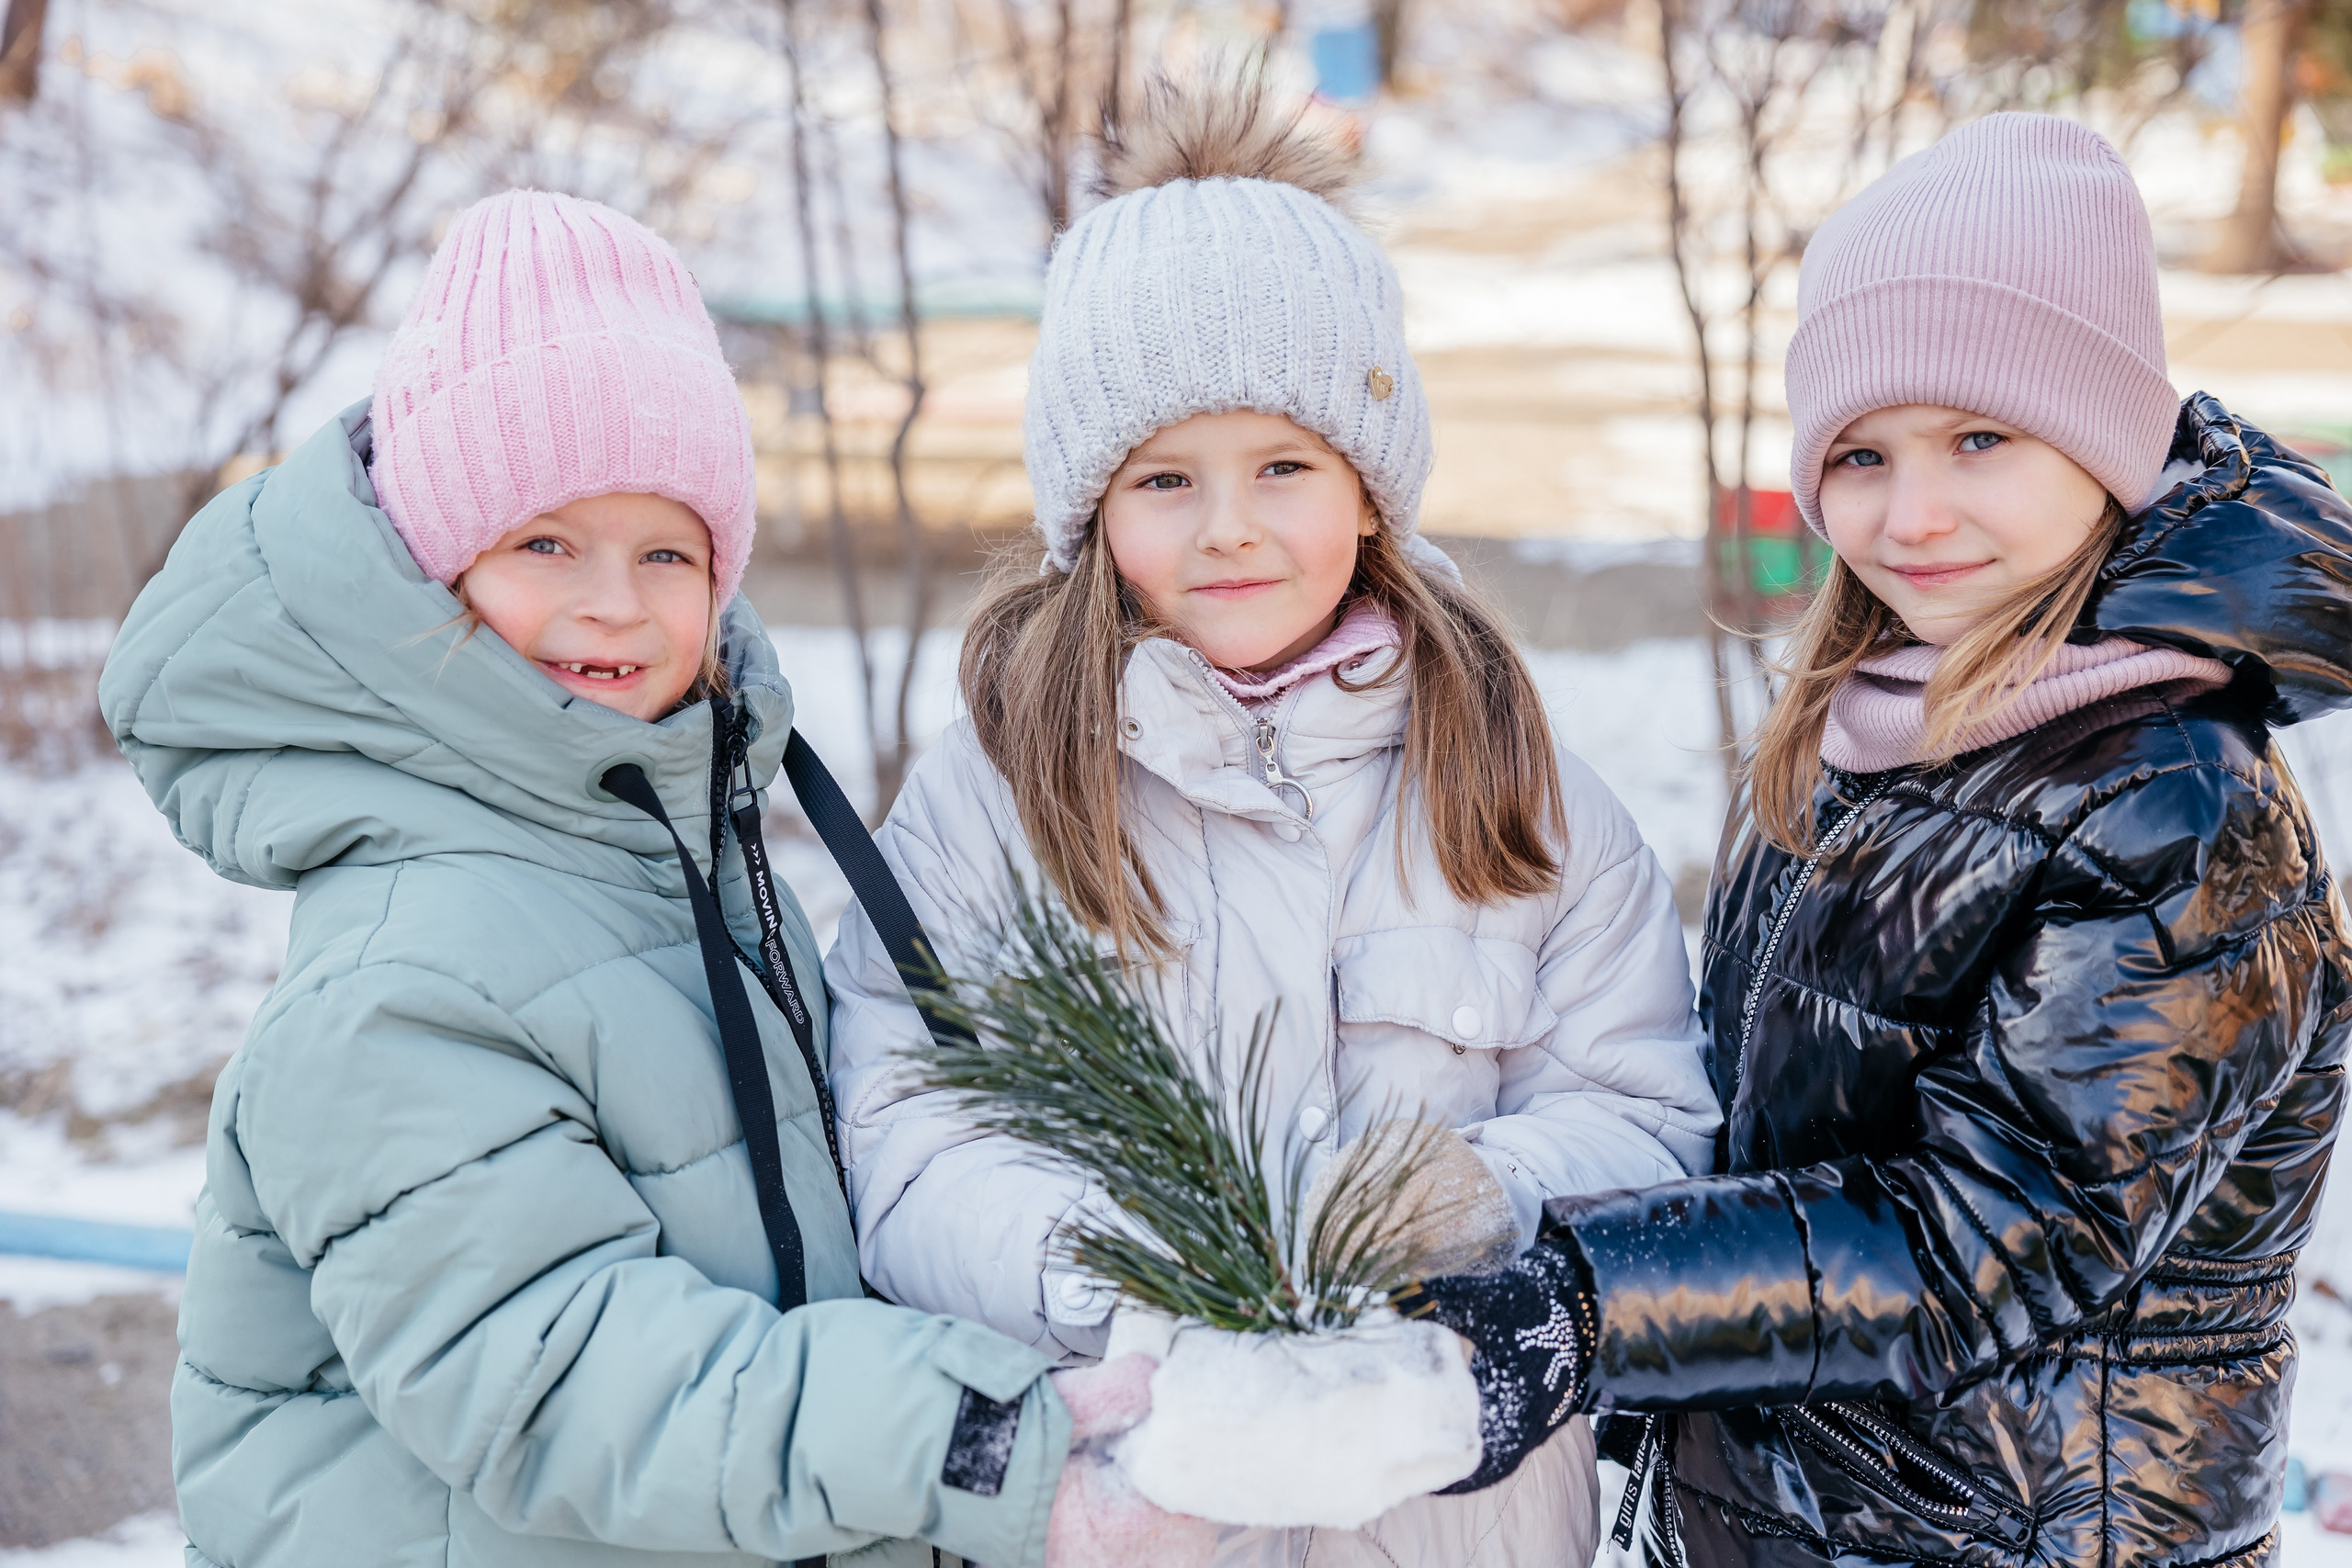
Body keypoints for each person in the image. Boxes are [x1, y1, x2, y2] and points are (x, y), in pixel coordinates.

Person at [97, 189, 1209, 1568]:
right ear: (435, 572)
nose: (614, 600)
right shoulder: (404, 975)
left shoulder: (663, 861)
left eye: (666, 551)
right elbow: (560, 1374)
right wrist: (971, 1447)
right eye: (545, 542)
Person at [1413, 113, 2352, 1568]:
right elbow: (1765, 1140)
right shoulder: (1873, 732)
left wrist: (1591, 1303)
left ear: (2101, 438)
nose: (1913, 516)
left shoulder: (2175, 801)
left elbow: (1980, 1241)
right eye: (1861, 453)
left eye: (1980, 438)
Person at [821, 74, 1724, 1568]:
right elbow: (908, 1131)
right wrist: (1105, 1266)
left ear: (1370, 492)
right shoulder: (998, 790)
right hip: (1136, 1502)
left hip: (1456, 1528)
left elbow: (1652, 1122)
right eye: (1165, 478)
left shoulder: (1518, 788)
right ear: (1092, 512)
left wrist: (1480, 1190)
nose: (1228, 525)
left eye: (1284, 467)